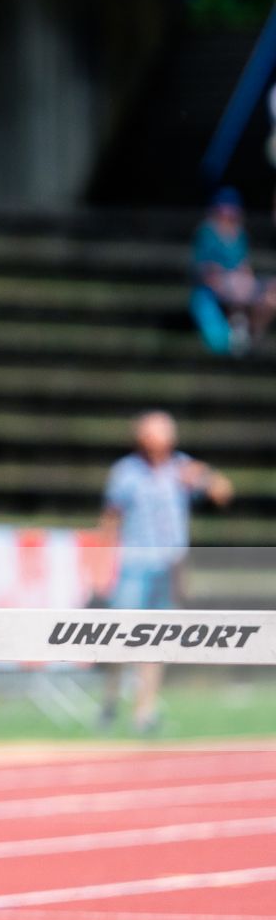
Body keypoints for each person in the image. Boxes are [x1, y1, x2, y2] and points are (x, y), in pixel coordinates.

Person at [99, 411, 234, 733]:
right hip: (133, 563)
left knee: (158, 638)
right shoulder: (126, 472)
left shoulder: (181, 468)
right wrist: (102, 561)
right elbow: (110, 517)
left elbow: (223, 493)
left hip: (170, 563)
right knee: (118, 637)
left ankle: (144, 711)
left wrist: (203, 476)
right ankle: (110, 701)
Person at [189, 187, 274, 355]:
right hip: (215, 286)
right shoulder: (207, 233)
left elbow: (244, 264)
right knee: (238, 289)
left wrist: (247, 281)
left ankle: (251, 339)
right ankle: (239, 338)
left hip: (237, 283)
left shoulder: (240, 234)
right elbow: (204, 269)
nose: (228, 214)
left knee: (271, 294)